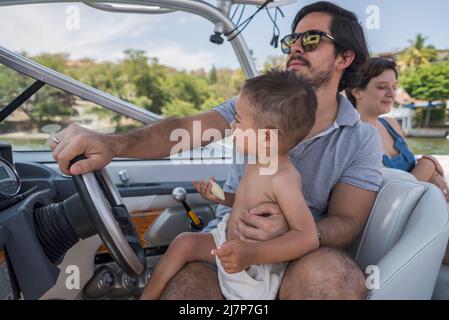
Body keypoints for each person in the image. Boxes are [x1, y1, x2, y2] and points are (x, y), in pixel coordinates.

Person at [51, 1, 382, 299]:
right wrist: (112, 144)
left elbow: (348, 222)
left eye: (310, 39)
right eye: (291, 40)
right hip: (227, 239)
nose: (295, 46)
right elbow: (183, 130)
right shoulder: (255, 106)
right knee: (188, 292)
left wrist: (286, 233)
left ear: (345, 57)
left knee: (333, 281)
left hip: (303, 252)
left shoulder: (361, 138)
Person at [140, 70, 319, 300]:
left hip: (252, 264)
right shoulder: (256, 162)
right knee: (183, 242)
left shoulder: (283, 179)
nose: (232, 125)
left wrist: (253, 253)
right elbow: (250, 203)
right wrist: (222, 197)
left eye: (240, 120)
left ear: (266, 138)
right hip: (226, 238)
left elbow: (307, 236)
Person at [345, 57, 449, 264]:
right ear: (356, 91)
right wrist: (428, 163)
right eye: (382, 87)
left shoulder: (390, 123)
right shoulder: (355, 137)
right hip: (407, 219)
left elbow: (414, 171)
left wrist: (430, 170)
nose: (391, 93)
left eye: (394, 86)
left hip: (431, 204)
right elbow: (400, 192)